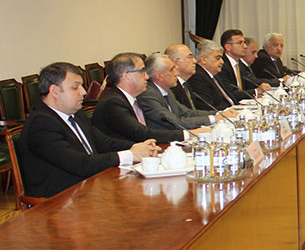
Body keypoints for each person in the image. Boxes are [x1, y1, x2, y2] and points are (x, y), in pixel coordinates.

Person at [18, 62, 158, 198]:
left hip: (90, 187)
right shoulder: (41, 124)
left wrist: (138, 147)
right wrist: (130, 155)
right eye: (75, 87)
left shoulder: (76, 113)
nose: (83, 92)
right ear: (54, 91)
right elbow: (80, 164)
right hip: (60, 200)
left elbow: (104, 143)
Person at [92, 52, 200, 143]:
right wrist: (188, 134)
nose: (147, 76)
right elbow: (141, 134)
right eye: (142, 71)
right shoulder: (113, 103)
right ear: (126, 76)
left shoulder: (136, 98)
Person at [138, 53, 234, 130]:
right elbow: (176, 122)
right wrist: (213, 119)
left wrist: (220, 113)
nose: (176, 73)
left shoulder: (167, 91)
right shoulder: (148, 95)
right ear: (159, 76)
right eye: (172, 70)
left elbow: (187, 113)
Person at [217, 29, 271, 101]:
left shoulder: (240, 65)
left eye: (244, 42)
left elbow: (250, 84)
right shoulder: (221, 65)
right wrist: (255, 91)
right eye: (240, 43)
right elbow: (230, 94)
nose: (245, 46)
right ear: (228, 47)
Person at [187, 40, 237, 111]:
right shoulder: (197, 77)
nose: (222, 62)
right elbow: (207, 107)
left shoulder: (214, 74)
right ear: (203, 60)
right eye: (218, 58)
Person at [165, 43, 201, 110]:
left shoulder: (186, 83)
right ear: (176, 63)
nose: (195, 61)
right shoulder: (171, 88)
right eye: (190, 57)